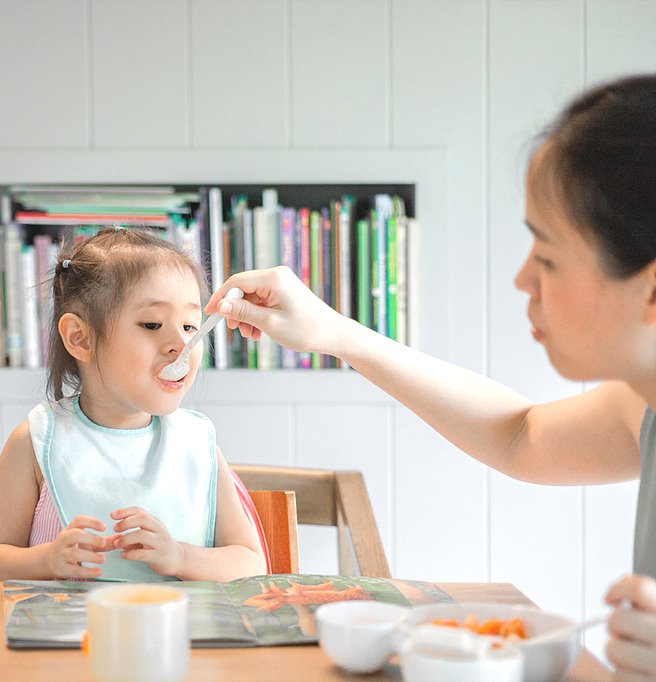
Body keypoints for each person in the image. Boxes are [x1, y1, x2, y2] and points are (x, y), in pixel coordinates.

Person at [207, 73, 656, 679]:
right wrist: (334, 333)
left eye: (546, 256)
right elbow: (520, 435)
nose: (523, 278)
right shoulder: (641, 407)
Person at [0, 228, 265, 582]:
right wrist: (47, 560)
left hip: (182, 635)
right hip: (69, 636)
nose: (181, 344)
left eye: (191, 326)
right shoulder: (35, 441)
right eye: (152, 324)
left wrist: (179, 557)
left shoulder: (197, 443)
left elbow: (251, 563)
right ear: (80, 338)